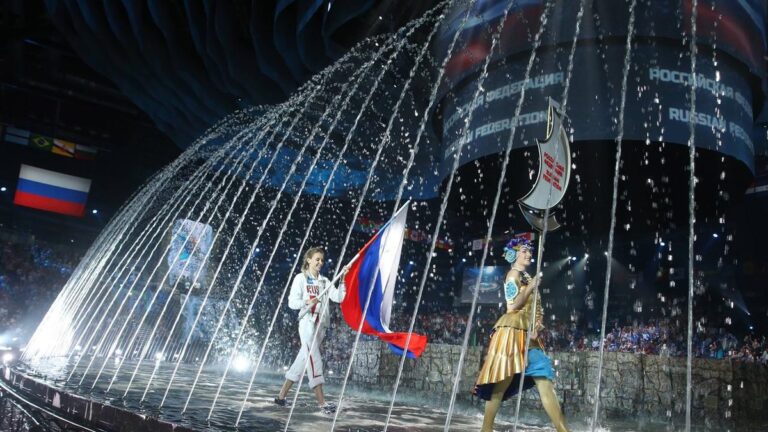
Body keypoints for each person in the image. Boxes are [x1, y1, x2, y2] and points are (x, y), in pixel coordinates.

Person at [473, 237, 569, 432]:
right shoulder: (513, 275)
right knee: (503, 381)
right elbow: (512, 306)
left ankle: (563, 430)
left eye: (529, 251)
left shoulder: (527, 277)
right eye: (523, 251)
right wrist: (531, 288)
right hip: (512, 332)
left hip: (529, 337)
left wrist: (538, 326)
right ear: (514, 254)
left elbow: (537, 309)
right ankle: (486, 428)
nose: (528, 254)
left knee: (545, 378)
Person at [274, 246, 348, 414]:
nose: (320, 262)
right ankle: (322, 404)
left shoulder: (324, 281)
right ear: (308, 260)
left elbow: (339, 297)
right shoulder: (300, 279)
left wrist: (342, 279)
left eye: (322, 260)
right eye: (317, 259)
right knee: (314, 360)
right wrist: (307, 302)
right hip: (307, 323)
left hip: (321, 326)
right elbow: (292, 303)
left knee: (302, 360)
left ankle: (281, 397)